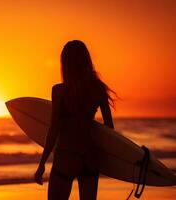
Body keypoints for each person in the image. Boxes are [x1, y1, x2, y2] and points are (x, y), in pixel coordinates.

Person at [34, 40, 115, 200]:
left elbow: (54, 129)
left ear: (65, 63)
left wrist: (42, 163)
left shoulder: (59, 91)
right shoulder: (98, 88)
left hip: (66, 155)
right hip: (90, 157)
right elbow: (109, 129)